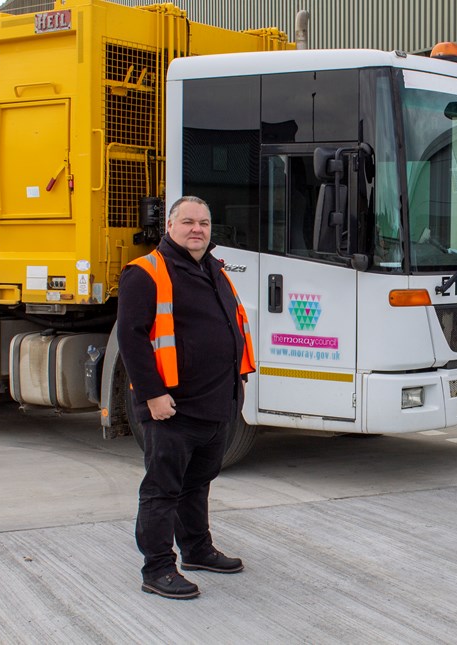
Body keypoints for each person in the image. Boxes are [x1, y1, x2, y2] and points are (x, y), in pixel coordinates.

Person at [117, 195, 255, 598]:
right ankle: (157, 568)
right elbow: (132, 339)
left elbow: (231, 327)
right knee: (163, 489)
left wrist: (238, 379)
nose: (198, 229)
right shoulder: (146, 273)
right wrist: (153, 395)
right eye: (189, 221)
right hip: (172, 408)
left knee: (198, 482)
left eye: (205, 223)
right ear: (170, 227)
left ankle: (196, 549)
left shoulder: (214, 269)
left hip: (217, 404)